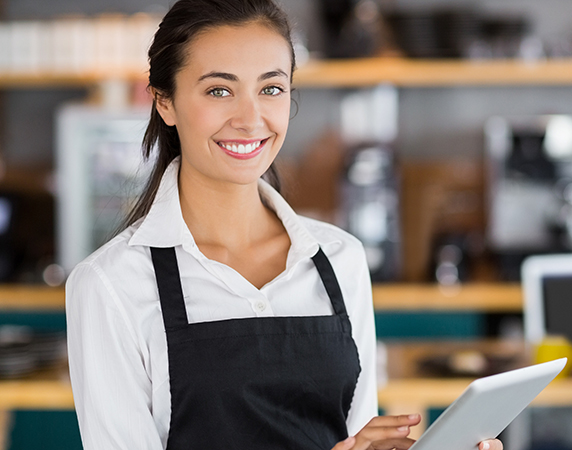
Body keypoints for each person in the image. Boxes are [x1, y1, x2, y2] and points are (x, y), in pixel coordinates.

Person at [64, 1, 503, 449]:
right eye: (219, 90)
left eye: (271, 89)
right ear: (165, 102)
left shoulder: (339, 260)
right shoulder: (110, 285)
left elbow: (356, 438)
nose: (250, 119)